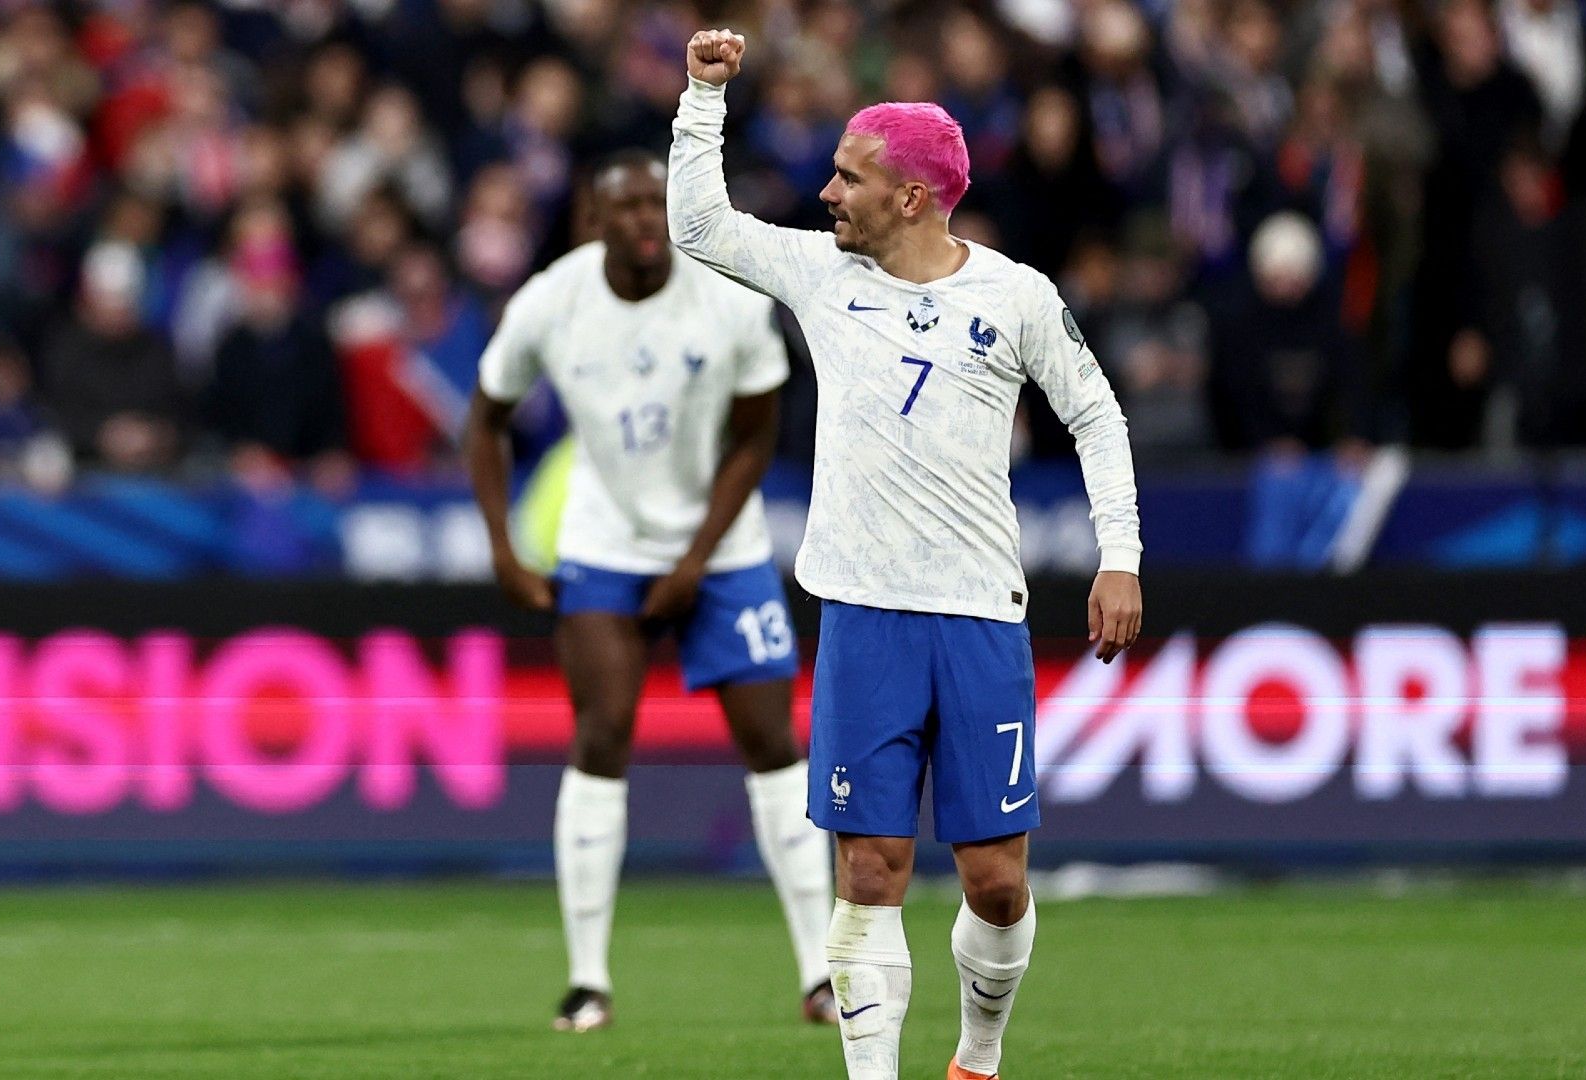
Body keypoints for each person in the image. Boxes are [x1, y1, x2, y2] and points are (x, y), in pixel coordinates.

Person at [669, 30, 1145, 1080]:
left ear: (913, 199)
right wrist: (704, 97)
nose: (828, 192)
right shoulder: (819, 275)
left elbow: (1097, 415)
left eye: (850, 176)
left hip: (980, 616)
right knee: (871, 868)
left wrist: (1121, 556)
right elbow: (699, 224)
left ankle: (978, 1053)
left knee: (996, 884)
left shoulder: (1014, 297)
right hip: (863, 614)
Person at [463, 148, 838, 1035]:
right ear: (592, 221)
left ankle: (822, 974)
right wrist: (505, 550)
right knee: (601, 734)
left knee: (772, 740)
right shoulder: (550, 303)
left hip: (724, 547)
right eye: (622, 206)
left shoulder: (731, 298)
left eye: (652, 205)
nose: (641, 220)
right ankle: (588, 981)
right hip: (605, 539)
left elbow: (757, 437)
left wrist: (696, 557)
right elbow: (485, 420)